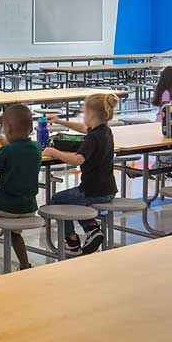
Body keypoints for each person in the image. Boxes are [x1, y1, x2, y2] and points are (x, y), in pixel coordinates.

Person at [43, 92, 119, 254]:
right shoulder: (105, 131)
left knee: (57, 200)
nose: (83, 115)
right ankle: (91, 228)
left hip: (92, 191)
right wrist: (59, 121)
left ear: (91, 114)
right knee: (73, 199)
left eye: (84, 112)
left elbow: (78, 160)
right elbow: (84, 128)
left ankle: (71, 240)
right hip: (109, 189)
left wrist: (54, 152)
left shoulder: (92, 138)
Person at [0, 104, 40, 278]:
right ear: (32, 128)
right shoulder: (36, 148)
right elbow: (19, 151)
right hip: (28, 207)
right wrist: (6, 141)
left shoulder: (6, 151)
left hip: (5, 205)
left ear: (8, 128)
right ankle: (25, 265)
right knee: (14, 232)